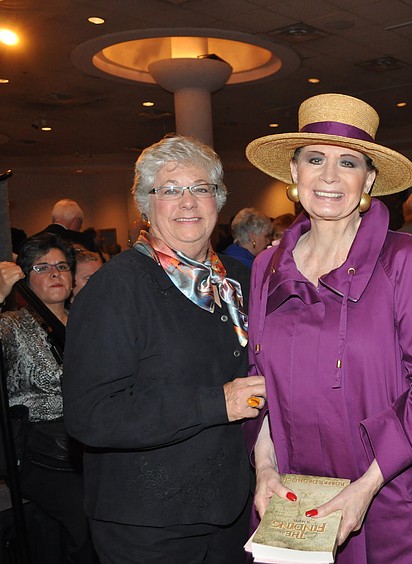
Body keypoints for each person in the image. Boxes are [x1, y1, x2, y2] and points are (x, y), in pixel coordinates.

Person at [243, 93, 412, 563]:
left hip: (387, 493)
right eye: (315, 159)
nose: (330, 176)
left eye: (349, 162)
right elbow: (259, 386)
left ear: (370, 179)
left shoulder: (403, 260)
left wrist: (365, 488)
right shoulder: (265, 268)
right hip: (297, 499)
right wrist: (264, 470)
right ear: (294, 172)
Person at [62, 135, 265, 563]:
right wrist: (217, 403)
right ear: (145, 204)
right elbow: (91, 414)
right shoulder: (116, 288)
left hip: (232, 512)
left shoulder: (236, 284)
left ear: (218, 200)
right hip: (150, 525)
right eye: (170, 190)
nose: (187, 202)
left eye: (200, 188)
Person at [0, 233, 97, 563]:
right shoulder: (12, 326)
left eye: (62, 266)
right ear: (25, 277)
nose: (56, 274)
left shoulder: (87, 323)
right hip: (37, 451)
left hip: (88, 441)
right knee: (85, 514)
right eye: (42, 267)